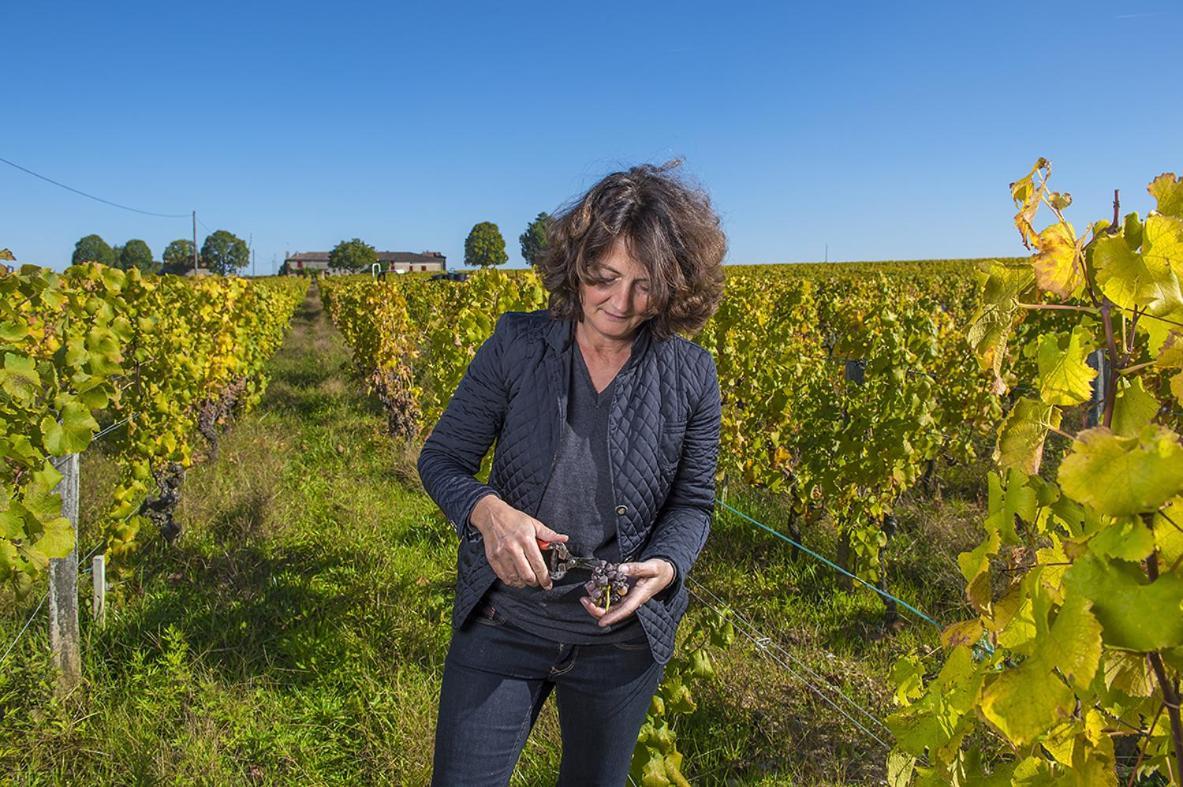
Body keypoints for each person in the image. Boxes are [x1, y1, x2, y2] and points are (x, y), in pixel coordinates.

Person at [417, 160, 725, 786]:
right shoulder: (517, 344)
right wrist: (489, 513)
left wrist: (664, 567)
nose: (620, 302)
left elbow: (693, 503)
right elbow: (442, 459)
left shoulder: (692, 375)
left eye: (645, 284)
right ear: (576, 265)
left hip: (620, 641)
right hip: (505, 622)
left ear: (675, 286)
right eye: (604, 277)